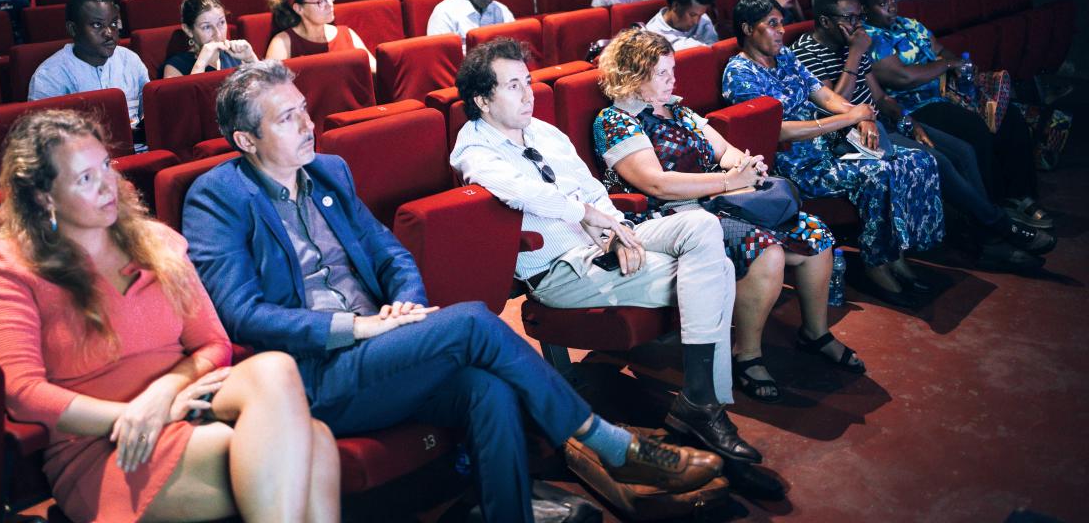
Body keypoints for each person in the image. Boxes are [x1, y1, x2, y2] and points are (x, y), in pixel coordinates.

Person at [183, 60, 723, 522]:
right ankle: (611, 445)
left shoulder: (328, 171)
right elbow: (241, 314)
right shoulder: (218, 198)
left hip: (381, 349)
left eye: (303, 108)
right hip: (312, 375)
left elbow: (389, 252)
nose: (307, 124)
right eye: (287, 118)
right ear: (246, 140)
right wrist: (357, 326)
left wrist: (406, 302)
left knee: (484, 390)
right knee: (471, 323)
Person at [0, 109, 340, 523]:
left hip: (187, 404)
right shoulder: (15, 268)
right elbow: (21, 393)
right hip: (106, 445)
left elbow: (214, 344)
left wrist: (163, 396)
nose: (108, 186)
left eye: (106, 167)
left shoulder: (156, 243)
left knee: (275, 369)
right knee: (313, 441)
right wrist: (135, 416)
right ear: (45, 197)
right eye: (85, 179)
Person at [451, 38, 760, 464]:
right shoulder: (474, 149)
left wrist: (614, 231)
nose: (529, 94)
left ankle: (699, 402)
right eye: (513, 87)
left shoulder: (542, 130)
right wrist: (592, 218)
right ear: (483, 100)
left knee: (702, 226)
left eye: (528, 82)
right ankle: (702, 405)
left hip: (603, 240)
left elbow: (591, 187)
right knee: (716, 271)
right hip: (560, 270)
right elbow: (524, 193)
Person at [594, 29, 859, 402]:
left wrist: (745, 165)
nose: (673, 80)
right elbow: (656, 184)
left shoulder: (680, 109)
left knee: (814, 233)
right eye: (663, 74)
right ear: (634, 76)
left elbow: (725, 152)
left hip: (719, 202)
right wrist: (727, 181)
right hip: (674, 217)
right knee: (765, 249)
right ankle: (746, 355)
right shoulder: (616, 120)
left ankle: (815, 333)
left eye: (673, 71)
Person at [794, 0, 1052, 272]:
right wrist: (855, 55)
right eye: (850, 18)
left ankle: (988, 235)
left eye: (860, 17)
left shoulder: (849, 41)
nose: (858, 24)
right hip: (847, 135)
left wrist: (909, 120)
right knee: (936, 160)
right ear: (825, 21)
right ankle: (999, 228)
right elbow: (835, 105)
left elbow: (879, 97)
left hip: (881, 123)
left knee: (963, 151)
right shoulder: (806, 52)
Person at [722, 0, 945, 307]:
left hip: (829, 149)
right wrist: (847, 119)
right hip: (796, 165)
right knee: (878, 172)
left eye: (782, 23)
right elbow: (776, 130)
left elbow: (823, 94)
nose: (781, 30)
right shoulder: (740, 74)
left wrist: (860, 113)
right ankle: (875, 265)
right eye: (772, 24)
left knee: (917, 160)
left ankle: (896, 254)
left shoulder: (784, 57)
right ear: (747, 28)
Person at [861, 0, 1052, 229]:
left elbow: (942, 50)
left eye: (893, 0)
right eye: (883, 3)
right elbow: (903, 77)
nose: (892, 7)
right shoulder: (871, 38)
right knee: (973, 128)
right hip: (914, 105)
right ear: (867, 9)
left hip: (946, 95)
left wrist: (959, 66)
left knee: (1011, 116)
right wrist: (947, 65)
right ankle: (993, 203)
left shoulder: (911, 25)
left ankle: (1021, 195)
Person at [29, 0, 150, 130]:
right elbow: (43, 139)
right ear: (73, 29)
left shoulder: (130, 60)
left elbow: (149, 112)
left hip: (140, 149)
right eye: (97, 25)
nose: (109, 33)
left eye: (114, 23)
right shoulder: (48, 77)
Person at [265, 0, 373, 70]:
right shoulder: (282, 44)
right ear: (298, 9)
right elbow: (269, 87)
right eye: (320, 0)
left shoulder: (347, 35)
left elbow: (377, 71)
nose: (330, 4)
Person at [162, 0, 259, 79]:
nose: (218, 34)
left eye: (221, 22)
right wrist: (201, 64)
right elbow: (186, 98)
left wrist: (251, 58)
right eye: (206, 27)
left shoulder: (235, 56)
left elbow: (266, 91)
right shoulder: (174, 67)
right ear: (188, 30)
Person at [647, 0, 717, 49]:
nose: (696, 21)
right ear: (675, 5)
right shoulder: (652, 36)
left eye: (701, 14)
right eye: (692, 15)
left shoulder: (703, 19)